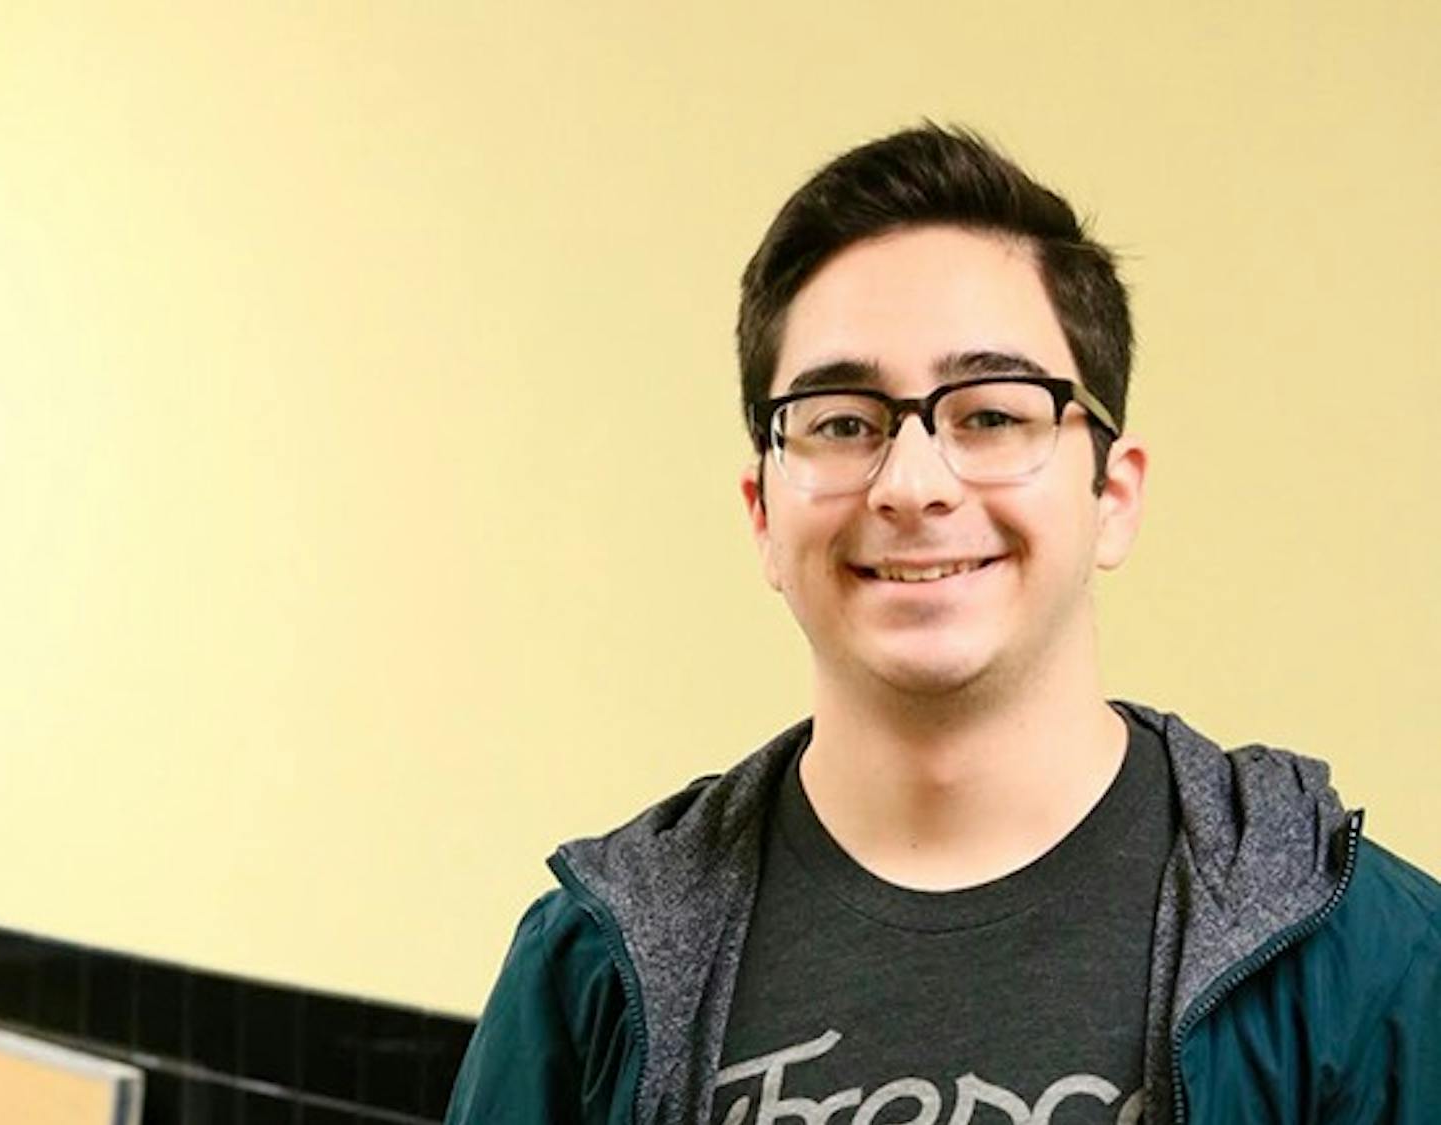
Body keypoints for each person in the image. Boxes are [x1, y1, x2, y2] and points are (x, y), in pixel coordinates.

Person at [444, 124, 1440, 1124]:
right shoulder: (588, 970)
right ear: (762, 514)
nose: (912, 485)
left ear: (1114, 495)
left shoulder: (1367, 963)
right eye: (842, 421)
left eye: (992, 415)